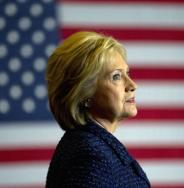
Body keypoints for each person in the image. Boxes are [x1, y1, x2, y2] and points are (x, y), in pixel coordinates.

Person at [45, 31, 151, 188]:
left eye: (127, 73)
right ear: (84, 93)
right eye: (116, 76)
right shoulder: (89, 156)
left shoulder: (95, 146)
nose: (132, 85)